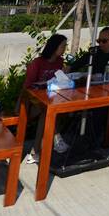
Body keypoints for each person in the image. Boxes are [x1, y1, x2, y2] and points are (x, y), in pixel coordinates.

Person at [22, 33, 71, 164]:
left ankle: (45, 146)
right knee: (46, 112)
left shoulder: (60, 61)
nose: (65, 48)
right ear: (54, 47)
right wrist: (19, 105)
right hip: (32, 101)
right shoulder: (38, 63)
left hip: (51, 98)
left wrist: (64, 74)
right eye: (63, 46)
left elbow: (59, 82)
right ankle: (39, 149)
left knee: (57, 109)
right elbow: (26, 87)